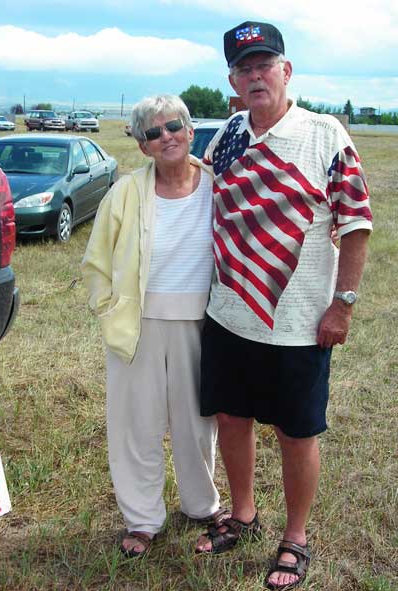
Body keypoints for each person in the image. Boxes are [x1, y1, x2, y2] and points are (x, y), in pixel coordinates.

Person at [194, 21, 372, 590]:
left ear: (286, 71)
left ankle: (295, 538)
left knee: (297, 433)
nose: (256, 75)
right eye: (245, 67)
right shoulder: (225, 137)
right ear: (232, 80)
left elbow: (357, 224)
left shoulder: (325, 134)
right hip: (227, 313)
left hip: (298, 326)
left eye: (265, 64)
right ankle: (243, 514)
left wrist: (342, 304)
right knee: (231, 417)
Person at [81, 95, 227, 558]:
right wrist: (108, 310)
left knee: (196, 423)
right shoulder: (125, 191)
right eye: (153, 133)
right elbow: (97, 260)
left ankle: (202, 505)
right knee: (135, 425)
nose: (166, 137)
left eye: (174, 126)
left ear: (189, 130)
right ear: (142, 146)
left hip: (201, 324)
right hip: (137, 325)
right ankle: (142, 520)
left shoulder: (216, 185)